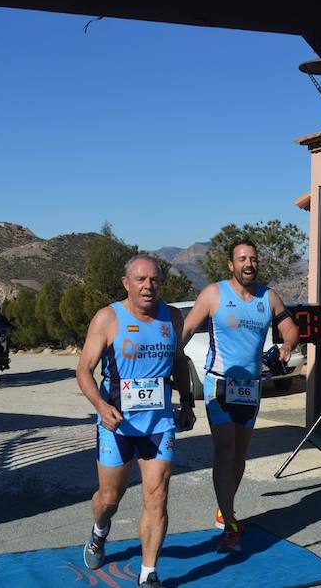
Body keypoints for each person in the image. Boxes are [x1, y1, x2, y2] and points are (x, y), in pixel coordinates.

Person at [77, 254, 195, 588]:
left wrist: (186, 402)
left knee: (157, 496)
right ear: (126, 283)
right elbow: (83, 370)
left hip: (159, 423)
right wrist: (100, 406)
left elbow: (179, 362)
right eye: (141, 280)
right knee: (109, 499)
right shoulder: (107, 318)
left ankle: (148, 573)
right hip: (117, 424)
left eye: (154, 279)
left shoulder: (172, 317)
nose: (148, 286)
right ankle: (99, 531)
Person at [180, 239, 299, 553]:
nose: (249, 263)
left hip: (251, 387)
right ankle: (229, 522)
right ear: (231, 265)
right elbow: (187, 329)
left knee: (240, 456)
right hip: (219, 385)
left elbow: (291, 328)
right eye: (242, 259)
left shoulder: (268, 297)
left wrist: (287, 345)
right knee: (225, 450)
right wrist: (168, 359)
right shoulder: (214, 294)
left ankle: (225, 508)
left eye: (253, 259)